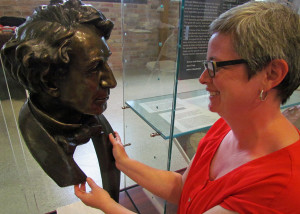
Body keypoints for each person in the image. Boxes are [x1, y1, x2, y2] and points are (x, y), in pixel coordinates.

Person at [75, 1, 300, 213]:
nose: (202, 78)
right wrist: (124, 163)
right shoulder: (225, 127)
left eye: (214, 66)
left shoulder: (277, 187)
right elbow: (184, 188)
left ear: (271, 74)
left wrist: (106, 205)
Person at [1, 0, 120, 202]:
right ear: (49, 81)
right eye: (94, 68)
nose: (111, 81)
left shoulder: (96, 119)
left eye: (106, 62)